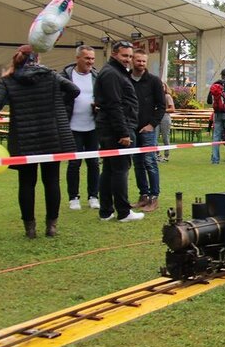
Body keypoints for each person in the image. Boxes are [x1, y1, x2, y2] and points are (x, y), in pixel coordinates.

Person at [0, 45, 79, 237]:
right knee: (52, 181)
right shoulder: (51, 75)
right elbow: (74, 90)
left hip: (24, 137)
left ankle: (30, 228)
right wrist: (57, 103)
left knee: (26, 183)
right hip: (51, 135)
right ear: (37, 59)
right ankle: (52, 226)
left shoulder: (8, 80)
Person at [94, 40, 143, 222]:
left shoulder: (115, 72)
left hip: (112, 126)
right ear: (114, 54)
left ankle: (106, 211)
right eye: (124, 56)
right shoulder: (111, 74)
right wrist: (123, 132)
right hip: (116, 129)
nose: (128, 60)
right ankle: (124, 211)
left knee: (109, 169)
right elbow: (114, 105)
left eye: (130, 56)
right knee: (121, 169)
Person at [61, 45, 99, 211]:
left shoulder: (97, 76)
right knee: (74, 163)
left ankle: (93, 196)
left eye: (92, 58)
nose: (90, 62)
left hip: (93, 127)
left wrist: (99, 106)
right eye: (87, 58)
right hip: (73, 127)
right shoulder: (65, 76)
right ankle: (73, 197)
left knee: (94, 163)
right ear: (78, 58)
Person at [130, 49, 165, 213]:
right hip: (132, 128)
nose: (141, 64)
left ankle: (154, 197)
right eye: (138, 60)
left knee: (150, 162)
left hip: (148, 129)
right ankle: (143, 195)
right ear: (132, 60)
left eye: (144, 61)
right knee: (137, 163)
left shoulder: (154, 81)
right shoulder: (126, 80)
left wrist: (152, 124)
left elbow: (162, 106)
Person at [156, 82, 175, 162]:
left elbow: (172, 109)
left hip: (165, 118)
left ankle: (166, 155)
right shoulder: (155, 97)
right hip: (156, 118)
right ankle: (157, 155)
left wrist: (162, 110)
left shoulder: (167, 97)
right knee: (154, 137)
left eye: (162, 86)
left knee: (165, 137)